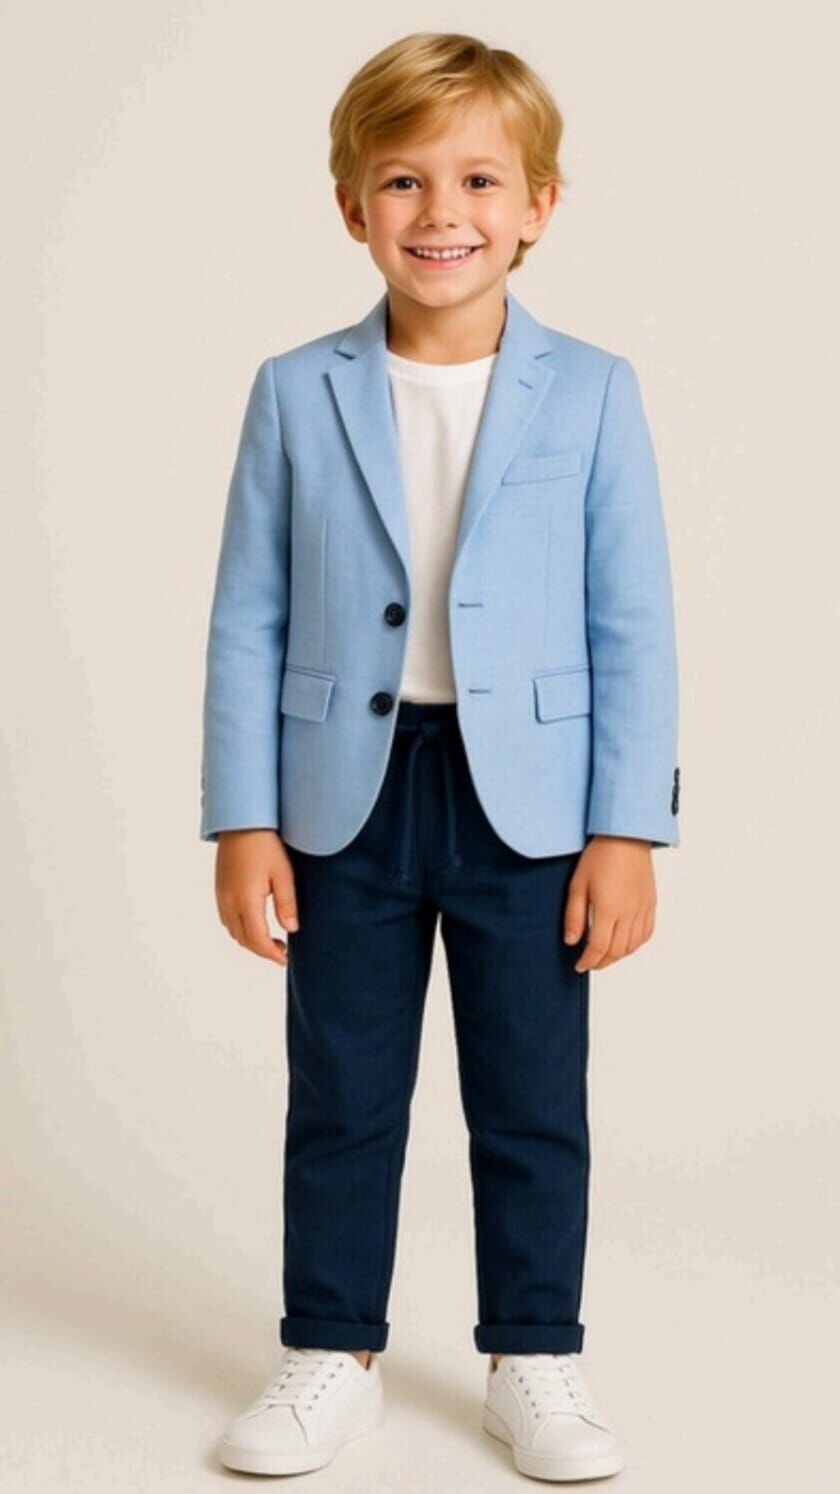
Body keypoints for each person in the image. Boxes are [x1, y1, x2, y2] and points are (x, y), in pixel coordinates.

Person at [200, 30, 680, 1483]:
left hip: (529, 805)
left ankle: (534, 1356)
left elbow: (633, 622)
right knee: (342, 1091)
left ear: (540, 205)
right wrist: (242, 815)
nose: (441, 211)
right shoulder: (297, 388)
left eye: (479, 179)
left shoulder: (593, 390)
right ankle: (328, 1350)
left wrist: (626, 828)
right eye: (403, 180)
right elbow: (248, 612)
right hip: (342, 796)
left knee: (532, 1096)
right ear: (352, 203)